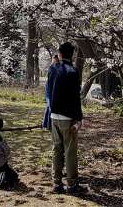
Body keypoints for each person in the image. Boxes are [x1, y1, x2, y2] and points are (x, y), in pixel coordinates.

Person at [47, 42, 85, 194]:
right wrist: (79, 119)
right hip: (68, 117)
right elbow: (76, 98)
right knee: (69, 151)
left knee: (56, 149)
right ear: (73, 55)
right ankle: (72, 184)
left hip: (54, 115)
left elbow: (49, 92)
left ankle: (57, 183)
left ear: (60, 54)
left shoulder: (52, 70)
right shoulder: (73, 72)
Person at [43, 55, 60, 131]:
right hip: (50, 88)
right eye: (54, 59)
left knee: (50, 107)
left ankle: (47, 124)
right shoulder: (52, 68)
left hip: (54, 88)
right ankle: (49, 125)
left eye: (55, 59)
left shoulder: (59, 67)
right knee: (50, 106)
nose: (54, 60)